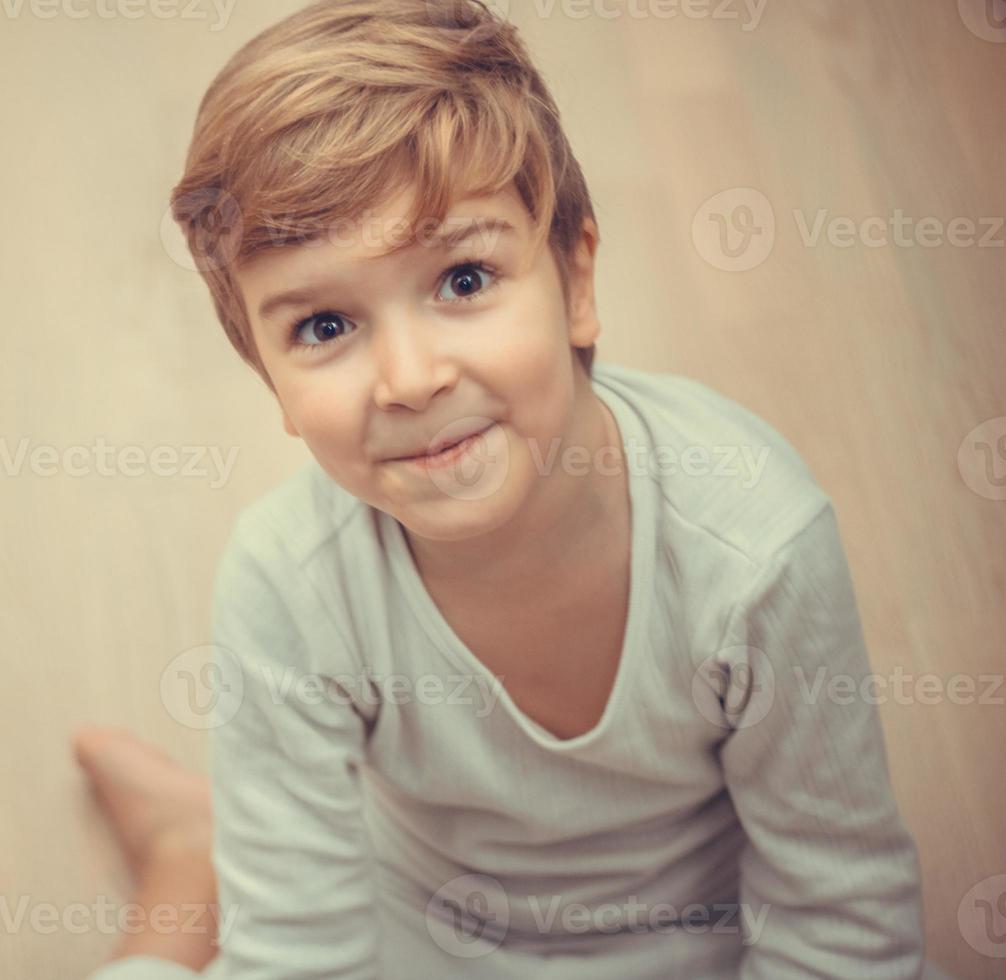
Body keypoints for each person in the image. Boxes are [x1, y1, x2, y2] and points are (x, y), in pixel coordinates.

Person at [75, 0, 930, 976]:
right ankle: (193, 869)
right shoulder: (289, 579)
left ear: (576, 278)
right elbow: (302, 956)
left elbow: (841, 921)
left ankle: (197, 847)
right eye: (323, 327)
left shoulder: (756, 546)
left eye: (465, 279)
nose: (410, 378)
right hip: (416, 936)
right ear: (270, 382)